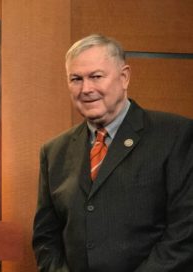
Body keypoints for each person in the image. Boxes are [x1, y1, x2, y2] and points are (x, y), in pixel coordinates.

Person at [32, 34, 193, 271]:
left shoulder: (175, 135)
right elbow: (46, 239)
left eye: (96, 77)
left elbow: (185, 231)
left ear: (124, 77)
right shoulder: (54, 152)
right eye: (76, 79)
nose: (86, 89)